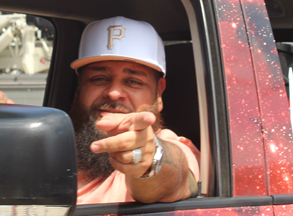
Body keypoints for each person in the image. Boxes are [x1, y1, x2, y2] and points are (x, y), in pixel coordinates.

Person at [69, 16, 200, 204]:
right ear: (79, 88)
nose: (114, 93)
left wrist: (149, 161)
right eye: (99, 78)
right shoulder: (55, 151)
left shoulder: (173, 146)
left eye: (133, 82)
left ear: (158, 94)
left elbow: (173, 177)